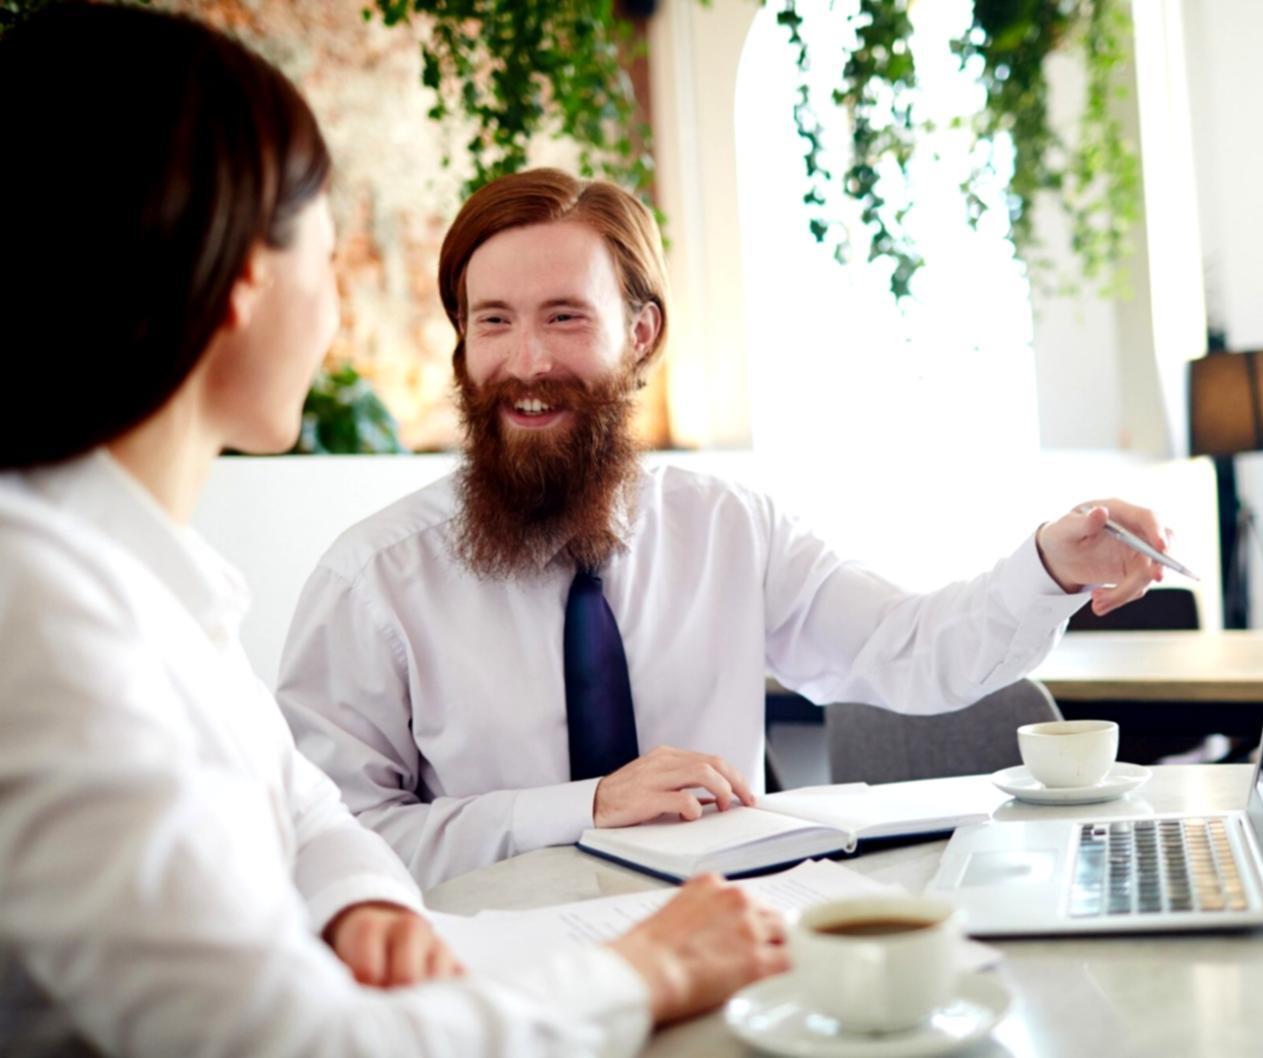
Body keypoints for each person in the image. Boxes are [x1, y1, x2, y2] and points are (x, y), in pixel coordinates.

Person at [0, 6, 783, 1056]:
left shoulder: (151, 580)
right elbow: (282, 1040)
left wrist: (360, 904)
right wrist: (644, 968)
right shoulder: (38, 614)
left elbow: (312, 810)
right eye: (327, 261)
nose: (334, 314)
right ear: (244, 279)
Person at [277, 167, 1174, 888]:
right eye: (493, 323)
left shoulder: (730, 527)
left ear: (641, 334)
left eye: (565, 316)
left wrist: (1050, 566)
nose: (528, 362)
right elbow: (328, 842)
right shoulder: (374, 581)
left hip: (730, 957)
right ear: (463, 345)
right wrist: (585, 807)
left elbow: (909, 650)